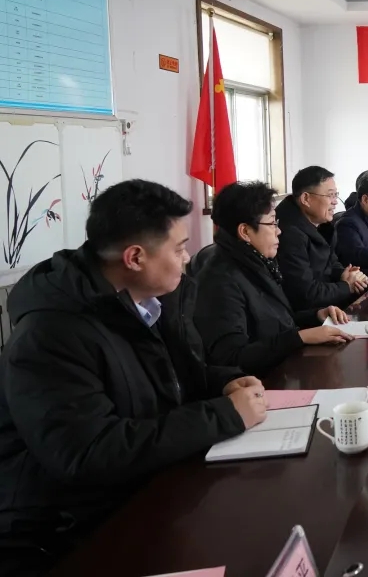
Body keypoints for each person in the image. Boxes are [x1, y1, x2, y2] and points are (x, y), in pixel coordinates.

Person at [0, 180, 268, 576]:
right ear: (135, 257)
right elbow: (89, 454)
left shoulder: (147, 300)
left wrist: (224, 383)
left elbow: (168, 377)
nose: (188, 258)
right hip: (64, 533)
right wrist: (225, 415)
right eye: (178, 248)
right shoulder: (50, 335)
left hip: (146, 489)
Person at [195, 181, 356, 377]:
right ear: (245, 232)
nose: (279, 231)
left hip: (282, 370)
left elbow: (272, 322)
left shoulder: (255, 261)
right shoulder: (221, 281)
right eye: (272, 223)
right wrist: (299, 337)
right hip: (260, 384)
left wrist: (316, 316)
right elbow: (233, 357)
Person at [276, 166, 368, 312]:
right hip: (309, 315)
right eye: (330, 195)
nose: (335, 202)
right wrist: (346, 286)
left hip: (327, 303)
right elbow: (305, 293)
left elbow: (331, 262)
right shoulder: (289, 234)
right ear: (306, 199)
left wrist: (345, 274)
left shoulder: (321, 224)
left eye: (336, 195)